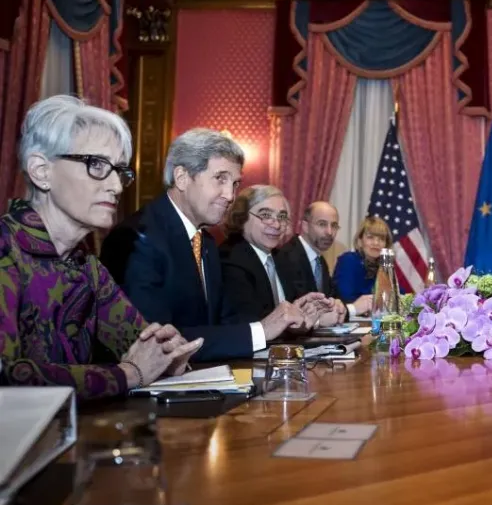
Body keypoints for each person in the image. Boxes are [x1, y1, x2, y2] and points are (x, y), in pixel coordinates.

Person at [0, 96, 202, 400]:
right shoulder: (6, 246)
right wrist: (128, 374)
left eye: (119, 170)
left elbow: (140, 345)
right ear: (41, 171)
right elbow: (5, 376)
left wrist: (167, 353)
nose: (117, 186)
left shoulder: (87, 266)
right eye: (96, 164)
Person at [101, 129, 310, 362]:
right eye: (220, 178)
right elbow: (156, 342)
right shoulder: (135, 238)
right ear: (182, 177)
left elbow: (226, 323)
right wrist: (262, 330)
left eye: (235, 183)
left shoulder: (206, 242)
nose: (230, 195)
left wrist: (291, 321)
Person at [220, 186, 342, 323]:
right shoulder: (231, 258)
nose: (277, 224)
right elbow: (250, 322)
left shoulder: (280, 259)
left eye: (282, 217)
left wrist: (311, 309)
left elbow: (291, 308)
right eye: (266, 215)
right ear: (242, 217)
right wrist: (314, 321)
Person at [276, 201, 372, 316]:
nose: (329, 232)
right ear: (305, 226)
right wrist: (353, 309)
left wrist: (338, 304)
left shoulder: (319, 260)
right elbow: (301, 311)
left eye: (334, 226)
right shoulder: (287, 257)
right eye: (322, 224)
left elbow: (334, 300)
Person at [333, 216, 408, 302]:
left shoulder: (384, 266)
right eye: (370, 237)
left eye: (381, 239)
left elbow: (399, 295)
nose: (376, 243)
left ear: (386, 245)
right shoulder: (349, 260)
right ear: (360, 241)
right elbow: (346, 297)